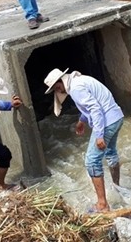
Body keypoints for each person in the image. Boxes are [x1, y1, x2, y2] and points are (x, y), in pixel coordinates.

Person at [43, 68, 124, 213]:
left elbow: (95, 109)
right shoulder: (80, 80)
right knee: (111, 152)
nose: (59, 91)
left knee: (91, 161)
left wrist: (99, 135)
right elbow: (90, 105)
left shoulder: (75, 89)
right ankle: (117, 188)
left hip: (106, 122)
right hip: (116, 117)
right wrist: (82, 121)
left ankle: (102, 205)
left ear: (61, 81)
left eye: (57, 87)